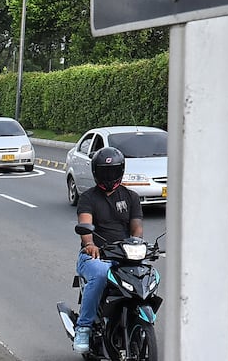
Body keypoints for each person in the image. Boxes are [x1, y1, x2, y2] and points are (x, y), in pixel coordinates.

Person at [73, 146, 143, 354]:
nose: (109, 176)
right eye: (105, 171)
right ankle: (83, 328)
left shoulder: (131, 197)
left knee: (147, 275)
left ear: (120, 171)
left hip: (124, 255)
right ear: (96, 172)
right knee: (102, 274)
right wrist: (89, 244)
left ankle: (140, 319)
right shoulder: (88, 198)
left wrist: (137, 243)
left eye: (113, 172)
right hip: (95, 256)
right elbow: (85, 225)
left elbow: (137, 226)